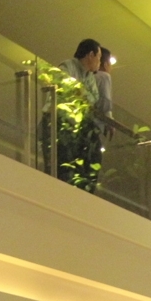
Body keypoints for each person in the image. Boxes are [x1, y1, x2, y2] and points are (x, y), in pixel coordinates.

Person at [49, 38, 103, 192]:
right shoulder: (67, 66)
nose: (99, 63)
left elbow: (94, 98)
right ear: (91, 55)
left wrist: (81, 92)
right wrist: (82, 94)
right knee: (63, 163)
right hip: (59, 121)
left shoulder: (89, 76)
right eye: (99, 57)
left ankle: (85, 188)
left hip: (77, 124)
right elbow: (67, 90)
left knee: (93, 147)